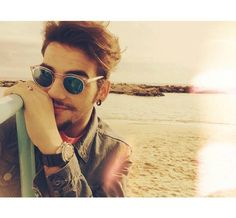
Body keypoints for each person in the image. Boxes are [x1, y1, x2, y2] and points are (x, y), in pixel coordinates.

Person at [0, 21, 132, 197]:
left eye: (74, 82)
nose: (54, 92)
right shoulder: (8, 128)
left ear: (102, 91)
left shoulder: (114, 152)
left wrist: (54, 150)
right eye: (45, 75)